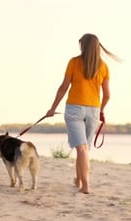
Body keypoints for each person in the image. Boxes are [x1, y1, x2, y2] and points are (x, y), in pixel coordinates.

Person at [45, 33, 118, 194]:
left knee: (82, 149)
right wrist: (101, 110)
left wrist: (52, 108)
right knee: (83, 148)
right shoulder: (103, 66)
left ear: (83, 46)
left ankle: (85, 186)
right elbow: (107, 95)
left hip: (74, 109)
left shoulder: (74, 62)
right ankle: (78, 179)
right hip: (93, 110)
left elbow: (64, 87)